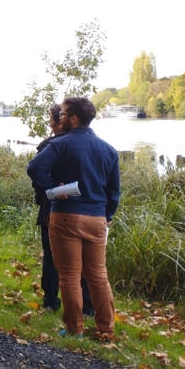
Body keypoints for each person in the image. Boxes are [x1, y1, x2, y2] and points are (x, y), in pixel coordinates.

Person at [27, 97, 120, 339]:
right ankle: (106, 330)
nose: (60, 119)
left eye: (64, 114)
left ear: (74, 118)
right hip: (97, 218)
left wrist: (54, 189)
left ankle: (74, 329)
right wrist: (107, 214)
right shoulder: (108, 149)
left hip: (66, 217)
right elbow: (114, 191)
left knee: (69, 274)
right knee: (98, 275)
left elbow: (34, 168)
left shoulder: (61, 144)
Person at [34, 105, 95, 315]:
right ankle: (86, 307)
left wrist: (51, 186)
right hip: (86, 210)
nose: (50, 123)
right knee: (85, 262)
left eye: (52, 119)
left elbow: (35, 172)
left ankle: (52, 301)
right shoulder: (91, 145)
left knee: (52, 257)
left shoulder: (52, 146)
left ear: (61, 121)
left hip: (54, 207)